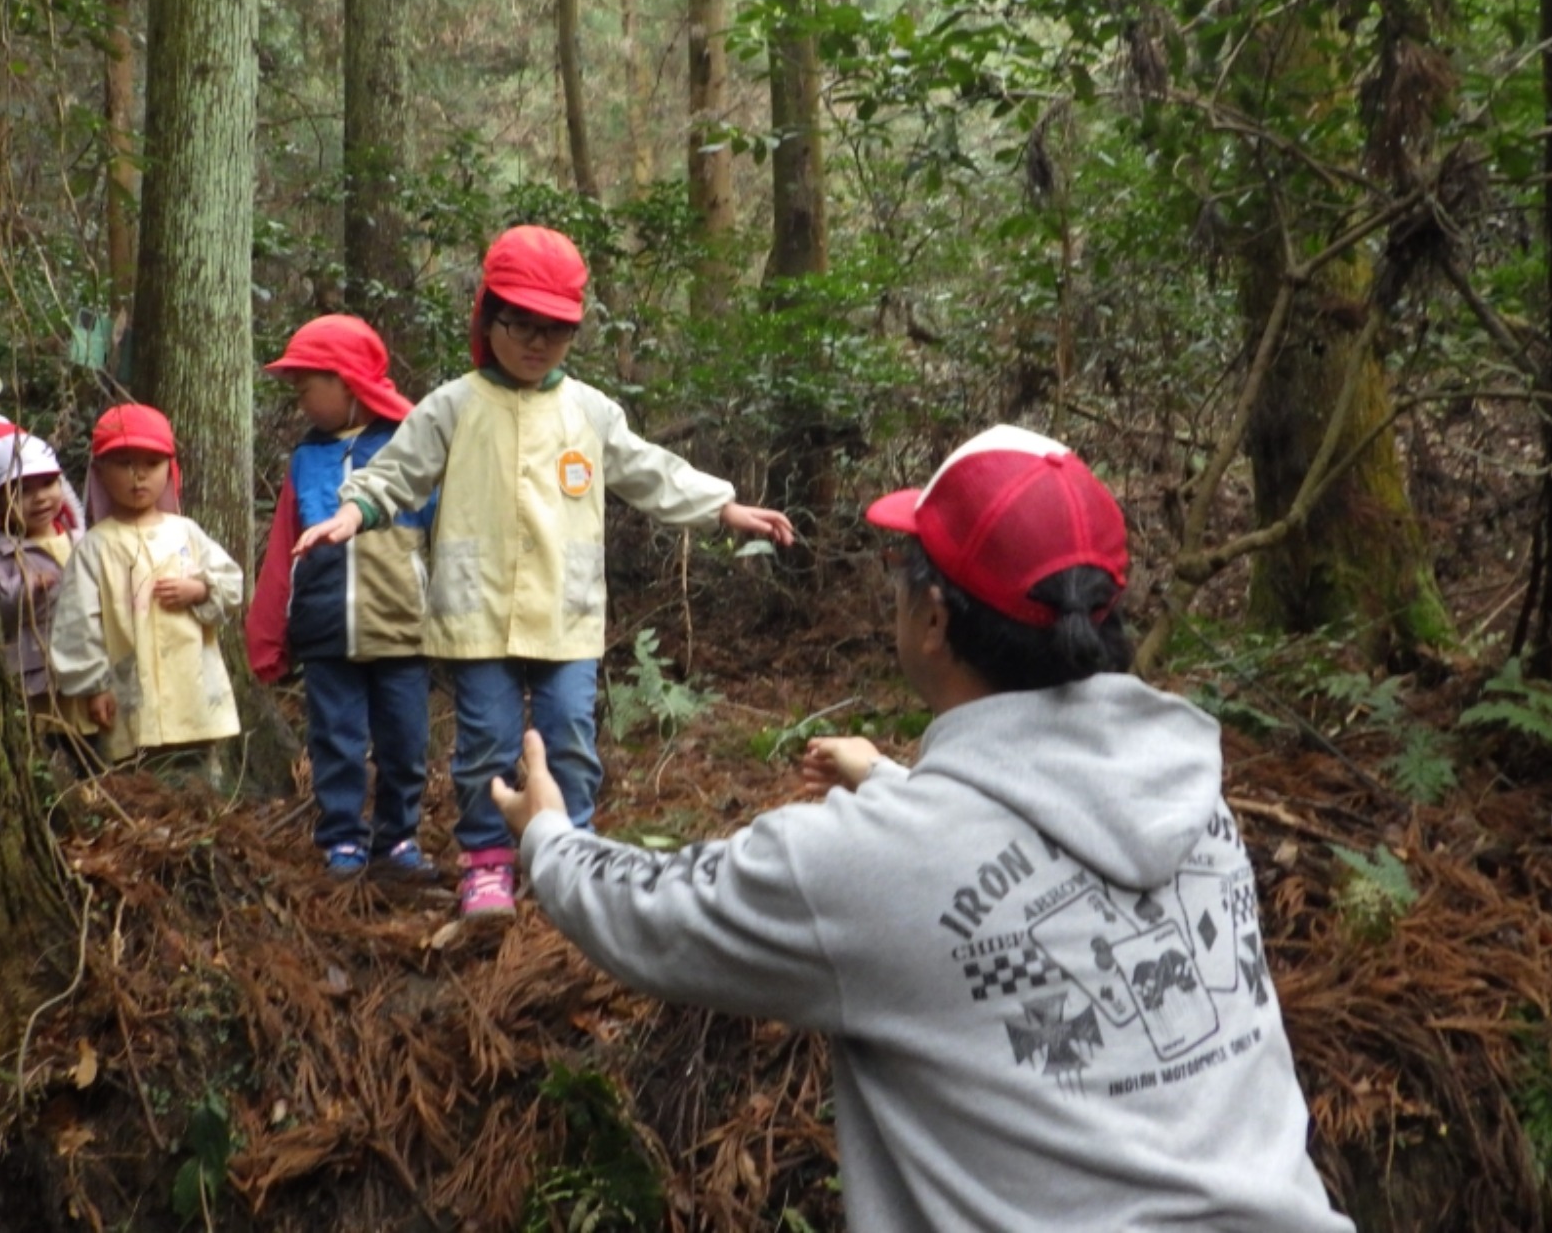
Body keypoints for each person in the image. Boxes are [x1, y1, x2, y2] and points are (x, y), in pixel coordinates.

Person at [492, 424, 1355, 1232]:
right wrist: (890, 779)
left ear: (935, 618)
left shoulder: (856, 866)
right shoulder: (1190, 793)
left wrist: (548, 838)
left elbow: (653, 915)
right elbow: (1012, 858)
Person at [304, 224, 796, 921]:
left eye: (555, 331)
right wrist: (354, 512)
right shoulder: (454, 404)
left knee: (570, 733)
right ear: (488, 317)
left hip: (566, 613)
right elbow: (397, 473)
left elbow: (648, 470)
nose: (536, 343)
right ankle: (486, 860)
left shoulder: (588, 410)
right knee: (485, 744)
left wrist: (723, 507)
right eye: (521, 325)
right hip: (476, 613)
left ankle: (571, 854)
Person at [247, 315, 440, 882]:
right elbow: (284, 547)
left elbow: (447, 537)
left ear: (348, 382)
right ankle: (343, 842)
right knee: (335, 739)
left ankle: (398, 838)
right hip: (326, 629)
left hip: (401, 625)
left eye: (308, 386)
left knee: (405, 740)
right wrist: (267, 636)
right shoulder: (307, 459)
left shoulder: (411, 447)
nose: (300, 400)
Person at [49, 402, 243, 761]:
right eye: (124, 464)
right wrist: (95, 686)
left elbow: (231, 582)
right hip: (128, 695)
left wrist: (200, 590)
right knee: (137, 773)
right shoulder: (95, 546)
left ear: (169, 471)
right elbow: (78, 622)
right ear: (101, 472)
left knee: (193, 768)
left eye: (151, 464)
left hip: (191, 692)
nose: (138, 476)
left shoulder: (186, 532)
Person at [0, 424, 107, 756]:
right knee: (49, 747)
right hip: (37, 681)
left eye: (48, 483)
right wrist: (26, 588)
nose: (40, 499)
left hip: (88, 673)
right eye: (21, 489)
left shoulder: (80, 541)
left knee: (91, 750)